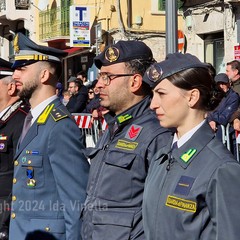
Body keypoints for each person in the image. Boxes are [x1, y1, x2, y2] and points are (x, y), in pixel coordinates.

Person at [142, 53, 240, 240]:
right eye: (153, 95)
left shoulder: (221, 168)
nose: (153, 104)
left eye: (161, 94)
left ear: (192, 97)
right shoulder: (161, 157)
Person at [81, 40, 172, 240]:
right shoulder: (115, 125)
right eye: (100, 77)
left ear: (135, 82)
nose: (98, 86)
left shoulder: (157, 133)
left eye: (107, 77)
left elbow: (163, 215)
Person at [9, 32, 89, 240]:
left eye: (22, 69)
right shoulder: (33, 119)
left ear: (44, 76)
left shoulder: (59, 126)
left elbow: (76, 202)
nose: (15, 75)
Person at [0, 58, 29, 239]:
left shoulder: (23, 121)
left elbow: (21, 176)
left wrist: (5, 219)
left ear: (10, 88)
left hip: (6, 214)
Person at [207, 73, 239, 144]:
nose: (221, 86)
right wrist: (211, 120)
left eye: (223, 83)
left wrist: (210, 115)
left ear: (228, 84)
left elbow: (223, 119)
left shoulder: (233, 97)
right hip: (216, 136)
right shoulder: (216, 96)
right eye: (218, 84)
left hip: (228, 138)